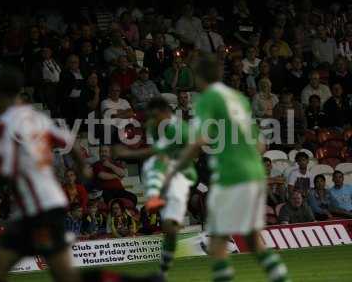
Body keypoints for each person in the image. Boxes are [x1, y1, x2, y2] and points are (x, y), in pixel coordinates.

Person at [164, 55, 290, 282]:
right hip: (252, 172)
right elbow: (260, 144)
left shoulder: (207, 101)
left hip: (231, 174)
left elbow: (198, 140)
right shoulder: (238, 98)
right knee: (252, 239)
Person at [0, 67, 87, 282]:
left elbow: (5, 169)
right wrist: (83, 168)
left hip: (39, 210)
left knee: (62, 274)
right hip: (38, 207)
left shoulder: (5, 125)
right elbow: (71, 142)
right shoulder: (36, 117)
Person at [114, 97, 197, 280]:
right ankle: (163, 272)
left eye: (154, 115)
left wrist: (129, 153)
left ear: (165, 112)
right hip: (165, 168)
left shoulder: (179, 128)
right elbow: (157, 151)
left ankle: (154, 196)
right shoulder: (154, 126)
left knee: (156, 162)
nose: (151, 119)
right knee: (169, 228)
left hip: (182, 173)